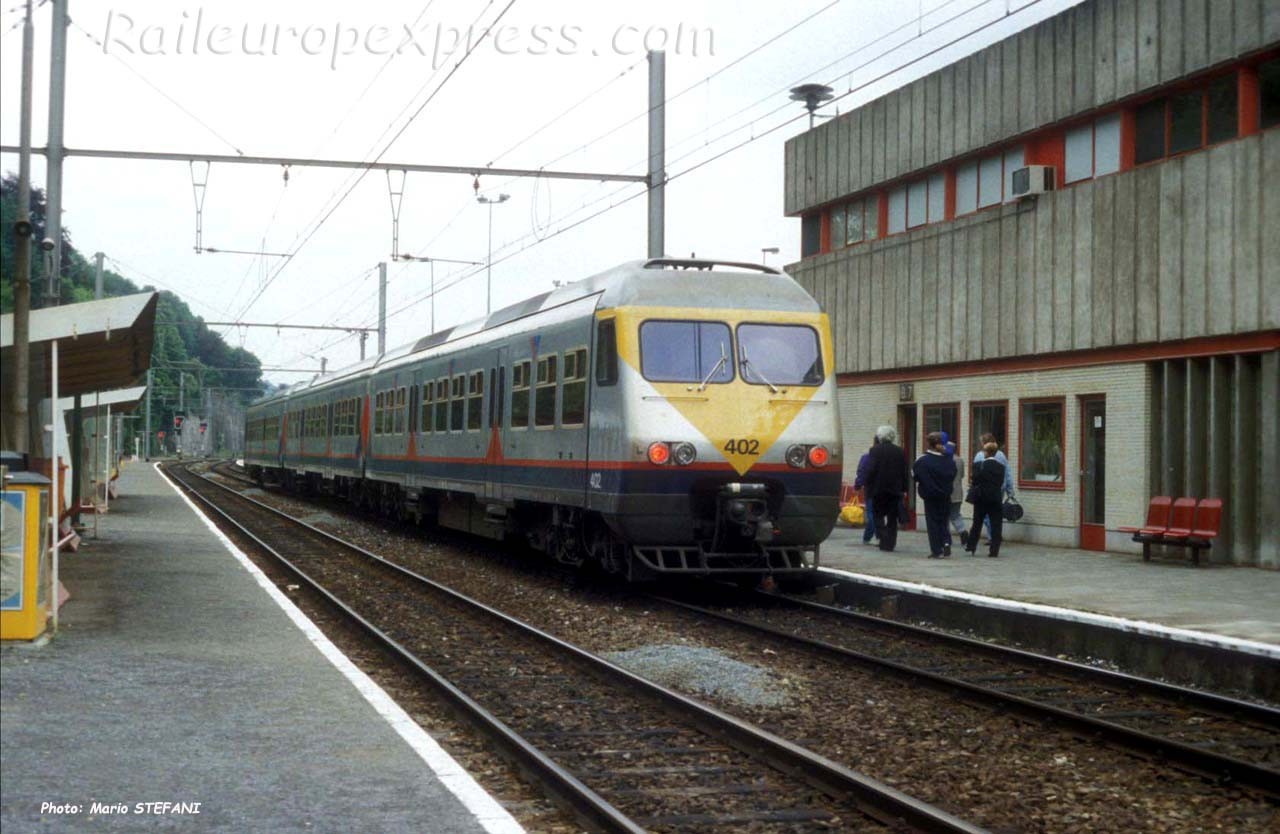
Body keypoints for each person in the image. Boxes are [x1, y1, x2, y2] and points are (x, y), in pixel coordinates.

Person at [864, 424, 908, 552]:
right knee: (892, 517)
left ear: (879, 436)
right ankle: (890, 544)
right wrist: (904, 488)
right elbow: (903, 471)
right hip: (895, 490)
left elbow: (871, 469)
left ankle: (883, 536)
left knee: (878, 515)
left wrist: (867, 483)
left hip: (878, 489)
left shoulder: (875, 450)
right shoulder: (900, 451)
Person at [913, 431, 957, 558]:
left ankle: (936, 550)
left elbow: (915, 476)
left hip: (930, 495)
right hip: (945, 495)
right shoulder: (949, 460)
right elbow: (953, 474)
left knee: (932, 522)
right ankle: (946, 542)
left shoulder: (922, 461)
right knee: (943, 520)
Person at [972, 432, 1014, 546]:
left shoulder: (979, 456)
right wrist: (1010, 490)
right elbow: (1007, 473)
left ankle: (991, 536)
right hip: (999, 488)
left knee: (984, 515)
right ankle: (995, 536)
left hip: (984, 490)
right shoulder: (1001, 455)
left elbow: (976, 474)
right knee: (996, 514)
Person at [966, 442, 1006, 558]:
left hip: (981, 498)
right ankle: (994, 550)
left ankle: (971, 545)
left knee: (977, 523)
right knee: (996, 524)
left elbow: (974, 480)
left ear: (986, 452)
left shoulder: (978, 465)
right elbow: (1000, 482)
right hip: (995, 498)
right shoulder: (1000, 467)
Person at [853, 436, 878, 544]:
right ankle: (875, 536)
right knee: (878, 514)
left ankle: (870, 536)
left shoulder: (867, 457)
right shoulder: (888, 457)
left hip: (871, 489)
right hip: (885, 489)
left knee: (871, 513)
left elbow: (861, 472)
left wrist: (858, 485)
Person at [946, 442, 967, 547]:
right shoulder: (960, 460)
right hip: (958, 492)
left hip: (947, 492)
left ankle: (946, 538)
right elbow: (962, 475)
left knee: (944, 516)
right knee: (955, 514)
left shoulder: (945, 460)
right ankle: (962, 531)